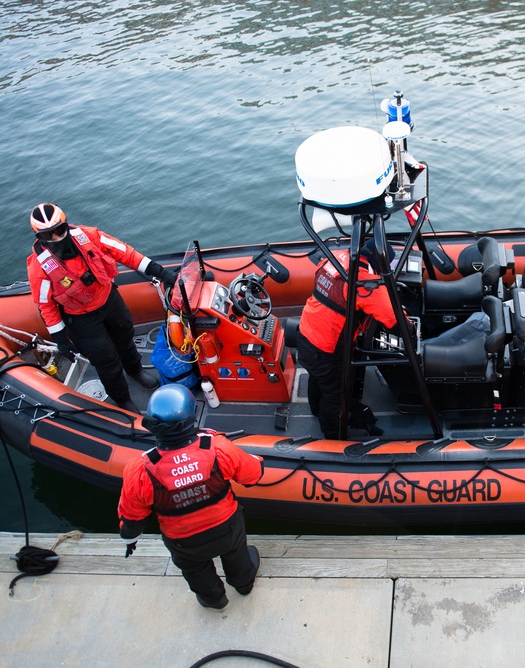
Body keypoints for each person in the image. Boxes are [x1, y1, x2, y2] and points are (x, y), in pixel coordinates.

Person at [117, 384, 264, 610]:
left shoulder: (140, 469)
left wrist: (129, 539)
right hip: (225, 528)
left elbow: (133, 515)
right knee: (237, 553)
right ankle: (244, 583)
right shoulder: (218, 448)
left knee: (195, 570)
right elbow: (252, 476)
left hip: (183, 541)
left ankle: (214, 599)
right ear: (192, 418)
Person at [26, 203, 178, 413]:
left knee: (126, 336)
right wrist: (62, 341)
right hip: (80, 318)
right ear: (39, 236)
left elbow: (127, 254)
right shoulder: (39, 267)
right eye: (48, 235)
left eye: (59, 231)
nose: (55, 238)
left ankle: (134, 370)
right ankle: (122, 399)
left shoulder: (90, 236)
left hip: (108, 300)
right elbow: (46, 305)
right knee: (106, 360)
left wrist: (162, 274)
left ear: (66, 225)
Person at [296, 238, 397, 439]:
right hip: (327, 350)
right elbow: (392, 318)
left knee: (317, 379)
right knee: (335, 396)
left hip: (305, 333)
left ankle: (316, 410)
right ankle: (332, 436)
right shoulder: (364, 283)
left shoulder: (333, 259)